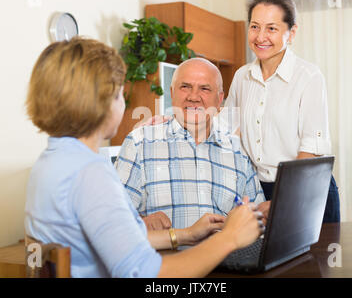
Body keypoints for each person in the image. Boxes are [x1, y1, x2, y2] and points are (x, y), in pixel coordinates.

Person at [24, 37, 263, 278]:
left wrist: (186, 234)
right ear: (98, 102)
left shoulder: (52, 160)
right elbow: (146, 273)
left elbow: (118, 238)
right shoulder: (91, 172)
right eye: (119, 94)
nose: (123, 104)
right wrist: (230, 238)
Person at [223, 0, 340, 223]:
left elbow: (311, 150)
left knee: (312, 259)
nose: (260, 36)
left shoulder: (309, 77)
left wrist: (282, 199)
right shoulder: (241, 77)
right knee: (263, 259)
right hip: (259, 191)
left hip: (306, 189)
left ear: (291, 32)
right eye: (255, 26)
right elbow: (226, 129)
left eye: (272, 28)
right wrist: (171, 121)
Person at [115, 58, 268, 230]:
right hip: (168, 255)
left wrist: (259, 216)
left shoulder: (237, 151)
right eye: (185, 87)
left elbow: (257, 220)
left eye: (204, 89)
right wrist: (142, 224)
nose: (193, 97)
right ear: (172, 93)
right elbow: (114, 222)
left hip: (227, 255)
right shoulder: (139, 143)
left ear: (219, 100)